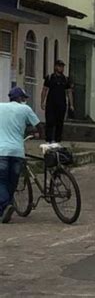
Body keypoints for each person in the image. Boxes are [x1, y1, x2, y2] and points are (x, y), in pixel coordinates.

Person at [0, 88, 40, 223]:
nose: (25, 100)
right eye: (24, 98)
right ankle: (6, 208)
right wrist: (36, 133)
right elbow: (38, 125)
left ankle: (6, 205)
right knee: (12, 181)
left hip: (1, 151)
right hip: (17, 151)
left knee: (1, 181)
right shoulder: (25, 109)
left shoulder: (0, 107)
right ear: (20, 98)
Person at [41, 60, 74, 143]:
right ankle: (48, 140)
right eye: (59, 66)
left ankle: (57, 140)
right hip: (51, 103)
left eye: (62, 66)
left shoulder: (66, 79)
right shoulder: (49, 78)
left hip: (61, 104)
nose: (61, 68)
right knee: (50, 121)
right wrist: (42, 102)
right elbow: (44, 90)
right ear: (55, 67)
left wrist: (71, 104)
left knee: (59, 122)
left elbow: (69, 92)